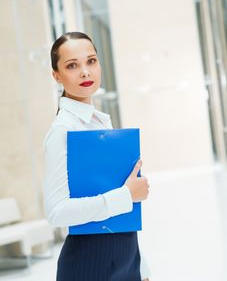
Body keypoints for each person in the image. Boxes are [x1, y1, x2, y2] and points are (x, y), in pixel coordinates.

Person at [43, 31, 151, 280]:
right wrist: (126, 195)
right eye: (72, 65)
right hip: (89, 263)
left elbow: (120, 212)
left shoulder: (99, 123)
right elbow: (56, 211)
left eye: (91, 61)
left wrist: (141, 265)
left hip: (125, 257)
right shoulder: (62, 131)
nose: (85, 71)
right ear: (56, 75)